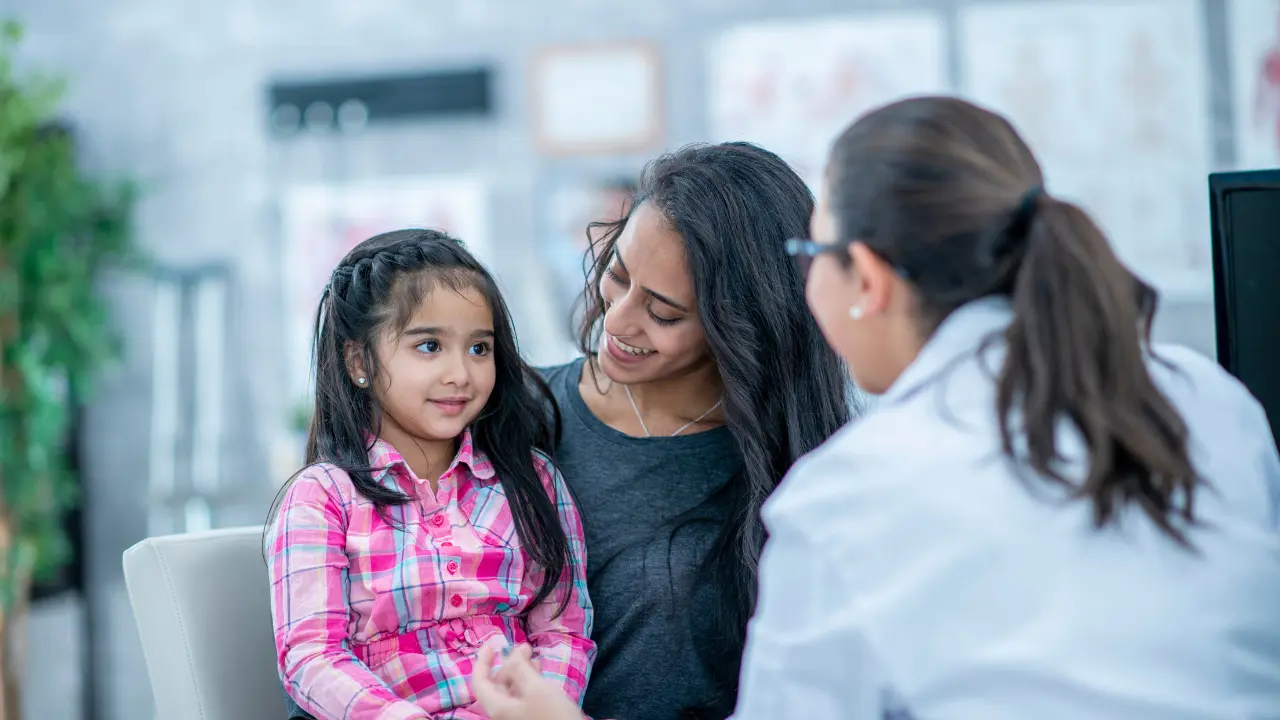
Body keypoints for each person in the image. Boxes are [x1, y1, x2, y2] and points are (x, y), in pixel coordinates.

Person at [469, 96, 1280, 719]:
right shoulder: (1211, 402)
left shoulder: (850, 490)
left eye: (811, 254)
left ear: (870, 279)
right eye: (616, 278)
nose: (621, 321)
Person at [282, 143, 850, 720]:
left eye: (664, 312)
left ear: (740, 323)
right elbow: (328, 630)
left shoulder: (793, 474)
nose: (619, 319)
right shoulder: (494, 415)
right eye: (618, 274)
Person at [268, 229, 594, 720]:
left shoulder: (532, 481)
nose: (460, 373)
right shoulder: (321, 498)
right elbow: (312, 657)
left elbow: (564, 630)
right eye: (429, 346)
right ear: (359, 360)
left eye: (479, 348)